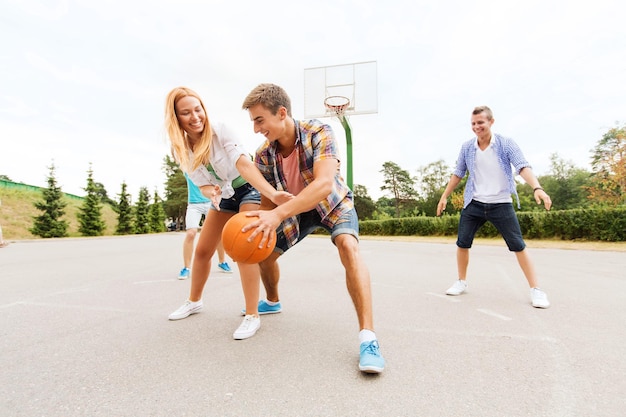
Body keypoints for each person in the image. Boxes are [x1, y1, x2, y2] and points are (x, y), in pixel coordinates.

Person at [240, 83, 385, 374]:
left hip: (330, 202)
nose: (256, 129)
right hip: (295, 209)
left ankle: (368, 339)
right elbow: (269, 203)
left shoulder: (319, 131)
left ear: (281, 113)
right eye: (253, 122)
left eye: (259, 120)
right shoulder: (264, 155)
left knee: (348, 245)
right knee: (263, 253)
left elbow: (323, 184)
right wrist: (259, 228)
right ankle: (272, 300)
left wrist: (279, 212)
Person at [164, 87, 292, 340]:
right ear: (176, 118)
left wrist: (272, 193)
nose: (195, 116)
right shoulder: (180, 148)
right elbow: (200, 182)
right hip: (223, 195)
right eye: (186, 113)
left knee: (244, 248)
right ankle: (194, 301)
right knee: (202, 251)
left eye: (198, 109)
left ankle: (252, 315)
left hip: (249, 189)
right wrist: (210, 190)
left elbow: (243, 164)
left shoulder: (221, 130)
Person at [436, 105, 552, 309]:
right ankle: (461, 281)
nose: (476, 127)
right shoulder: (467, 147)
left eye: (480, 122)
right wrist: (444, 196)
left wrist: (537, 187)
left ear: (491, 122)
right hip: (475, 202)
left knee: (518, 245)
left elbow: (522, 166)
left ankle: (536, 290)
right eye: (473, 123)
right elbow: (458, 173)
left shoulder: (506, 144)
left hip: (501, 203)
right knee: (462, 243)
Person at [178, 173, 232, 280]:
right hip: (194, 205)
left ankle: (222, 262)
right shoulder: (187, 168)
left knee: (217, 234)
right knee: (191, 233)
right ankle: (186, 268)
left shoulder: (208, 167)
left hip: (210, 202)